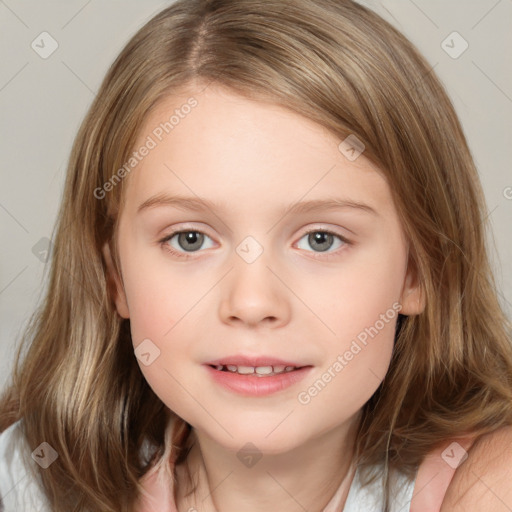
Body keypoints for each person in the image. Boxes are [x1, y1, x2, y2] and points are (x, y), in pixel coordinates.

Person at [1, 1, 511, 511]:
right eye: (190, 239)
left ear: (419, 272)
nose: (251, 302)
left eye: (320, 239)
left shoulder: (485, 487)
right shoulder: (25, 483)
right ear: (115, 277)